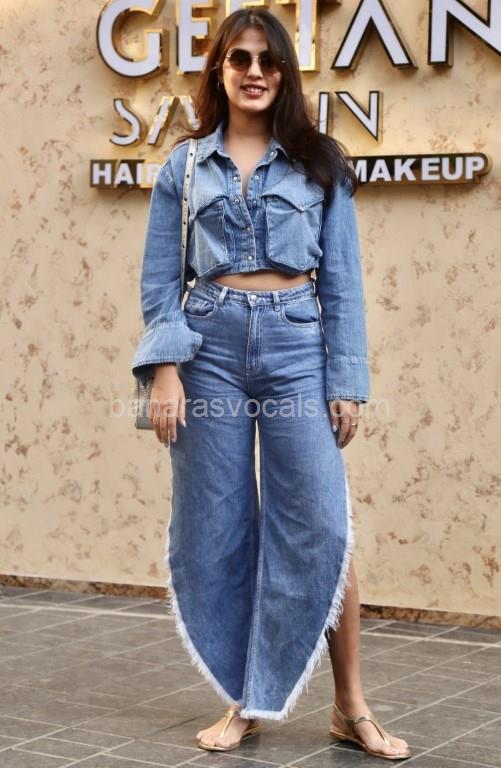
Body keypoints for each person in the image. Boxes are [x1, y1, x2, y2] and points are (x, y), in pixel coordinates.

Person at [131, 7, 411, 762]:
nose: (254, 71)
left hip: (297, 347)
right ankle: (244, 700)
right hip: (208, 350)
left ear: (285, 72)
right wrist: (164, 371)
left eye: (268, 59)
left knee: (320, 523)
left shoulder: (320, 160)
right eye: (240, 59)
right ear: (219, 69)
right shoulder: (184, 166)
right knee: (218, 528)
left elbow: (342, 281)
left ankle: (350, 706)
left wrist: (345, 378)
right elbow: (160, 280)